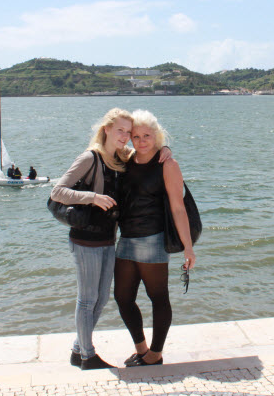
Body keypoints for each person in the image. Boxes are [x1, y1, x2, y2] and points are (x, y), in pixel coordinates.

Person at [50, 108, 134, 370]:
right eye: (120, 130)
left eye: (128, 132)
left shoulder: (120, 159)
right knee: (87, 299)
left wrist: (164, 151)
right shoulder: (90, 158)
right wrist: (92, 197)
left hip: (108, 239)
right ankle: (88, 356)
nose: (125, 136)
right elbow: (57, 192)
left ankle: (78, 350)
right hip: (85, 239)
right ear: (106, 129)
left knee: (102, 299)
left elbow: (148, 153)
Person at [114, 109, 196, 367]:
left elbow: (178, 208)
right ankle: (142, 349)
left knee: (158, 297)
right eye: (136, 136)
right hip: (126, 238)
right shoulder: (125, 159)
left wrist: (188, 248)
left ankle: (156, 353)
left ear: (156, 135)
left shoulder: (167, 164)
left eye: (147, 136)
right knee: (122, 298)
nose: (141, 141)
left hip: (152, 240)